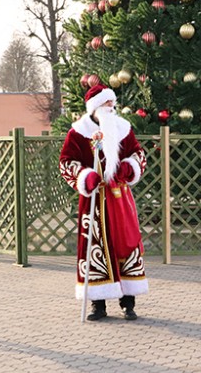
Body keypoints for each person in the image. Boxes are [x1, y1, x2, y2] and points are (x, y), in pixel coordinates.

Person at [59, 84, 148, 321]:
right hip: (95, 201)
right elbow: (66, 161)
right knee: (96, 246)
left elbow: (138, 153)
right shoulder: (78, 132)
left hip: (120, 198)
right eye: (107, 103)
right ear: (95, 106)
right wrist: (84, 176)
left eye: (113, 102)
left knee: (125, 244)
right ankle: (98, 304)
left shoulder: (123, 129)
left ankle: (128, 302)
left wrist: (131, 166)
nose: (112, 106)